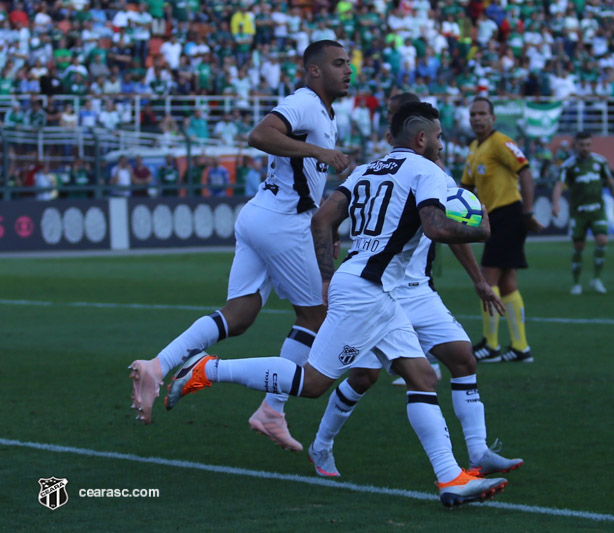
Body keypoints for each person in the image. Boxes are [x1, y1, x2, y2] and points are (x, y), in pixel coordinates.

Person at [164, 102, 508, 507]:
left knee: (422, 378)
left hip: (369, 287)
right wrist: (481, 229)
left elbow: (322, 219)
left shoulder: (365, 170)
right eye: (438, 136)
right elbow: (433, 226)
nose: (441, 143)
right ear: (421, 139)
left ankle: (451, 479)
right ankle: (207, 369)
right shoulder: (426, 170)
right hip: (370, 290)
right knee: (312, 383)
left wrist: (327, 277)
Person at [128, 40, 352, 428]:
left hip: (261, 215)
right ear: (313, 70)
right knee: (316, 316)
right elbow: (259, 135)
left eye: (348, 63)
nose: (347, 70)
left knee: (240, 314)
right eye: (337, 63)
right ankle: (271, 409)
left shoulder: (325, 114)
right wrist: (318, 152)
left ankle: (157, 365)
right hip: (283, 221)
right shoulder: (305, 103)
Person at [305, 92, 523, 481]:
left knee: (462, 359)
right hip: (377, 286)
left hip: (416, 289)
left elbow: (447, 231)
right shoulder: (389, 169)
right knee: (363, 377)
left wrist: (479, 282)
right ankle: (322, 444)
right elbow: (433, 228)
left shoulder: (437, 176)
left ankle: (477, 453)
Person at [461, 97, 543, 364]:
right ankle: (521, 347)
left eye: (482, 114)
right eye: (473, 114)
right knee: (507, 282)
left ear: (493, 118)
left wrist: (528, 212)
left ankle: (492, 345)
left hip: (508, 214)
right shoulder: (474, 147)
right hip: (492, 218)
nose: (477, 118)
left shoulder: (501, 142)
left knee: (488, 279)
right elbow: (468, 188)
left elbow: (526, 172)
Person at [552, 131, 614, 295]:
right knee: (579, 246)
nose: (585, 148)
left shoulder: (600, 162)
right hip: (579, 212)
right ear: (575, 145)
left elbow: (610, 182)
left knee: (602, 240)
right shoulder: (568, 165)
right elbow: (559, 185)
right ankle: (576, 283)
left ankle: (596, 279)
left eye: (588, 144)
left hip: (597, 209)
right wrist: (556, 203)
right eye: (582, 145)